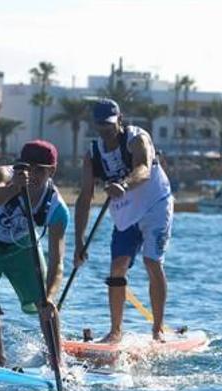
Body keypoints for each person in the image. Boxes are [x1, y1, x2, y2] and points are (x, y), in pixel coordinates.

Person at [74, 98, 173, 343]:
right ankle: (115, 331)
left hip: (155, 205)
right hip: (126, 212)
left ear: (120, 119)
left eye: (109, 124)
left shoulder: (137, 138)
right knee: (117, 265)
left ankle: (158, 329)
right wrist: (79, 241)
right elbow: (85, 196)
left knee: (152, 261)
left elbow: (143, 169)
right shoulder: (93, 154)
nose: (105, 130)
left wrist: (124, 184)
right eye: (100, 125)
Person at [0, 140, 69, 367]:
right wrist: (14, 187)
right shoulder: (2, 175)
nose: (31, 174)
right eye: (26, 167)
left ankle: (57, 362)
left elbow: (58, 262)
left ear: (51, 171)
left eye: (39, 170)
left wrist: (51, 296)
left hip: (22, 247)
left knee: (44, 303)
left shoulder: (57, 208)